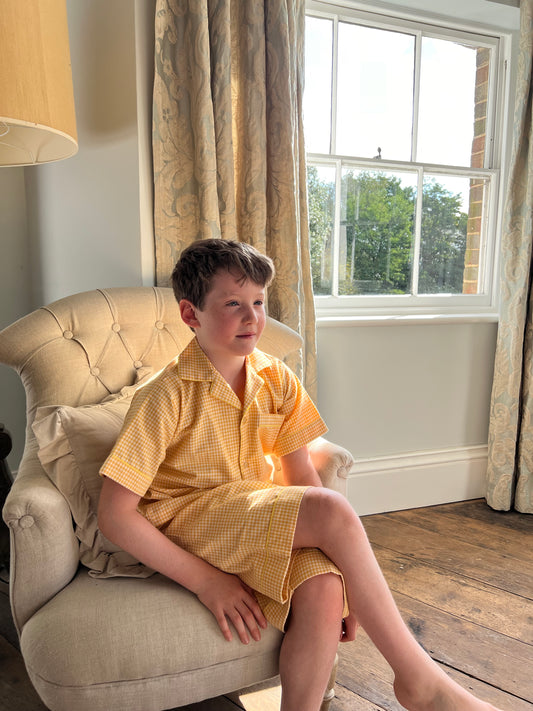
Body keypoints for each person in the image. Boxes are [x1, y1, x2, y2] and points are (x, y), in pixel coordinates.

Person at [98, 239, 501, 711]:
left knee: (326, 587)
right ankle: (419, 680)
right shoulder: (164, 396)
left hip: (249, 518)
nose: (252, 318)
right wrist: (207, 582)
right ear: (191, 314)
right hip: (187, 521)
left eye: (258, 303)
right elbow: (115, 515)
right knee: (330, 507)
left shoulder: (277, 378)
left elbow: (300, 476)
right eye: (232, 304)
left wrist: (351, 588)